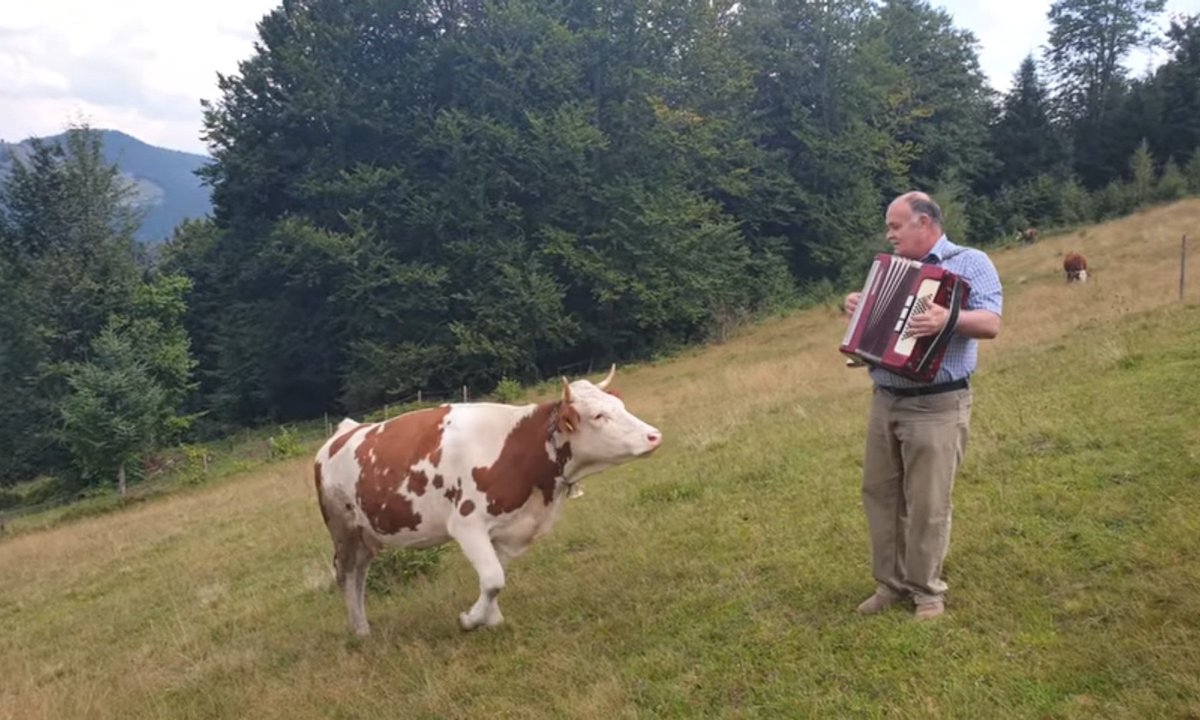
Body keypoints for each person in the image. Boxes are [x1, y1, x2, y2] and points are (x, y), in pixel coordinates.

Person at [843, 192, 1002, 620]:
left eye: (896, 226)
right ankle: (889, 585)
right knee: (880, 494)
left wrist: (947, 319)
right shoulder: (887, 270)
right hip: (885, 400)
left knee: (928, 501)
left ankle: (927, 591)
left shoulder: (969, 262)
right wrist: (857, 309)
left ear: (925, 222)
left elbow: (990, 322)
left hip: (938, 404)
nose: (889, 234)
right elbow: (877, 334)